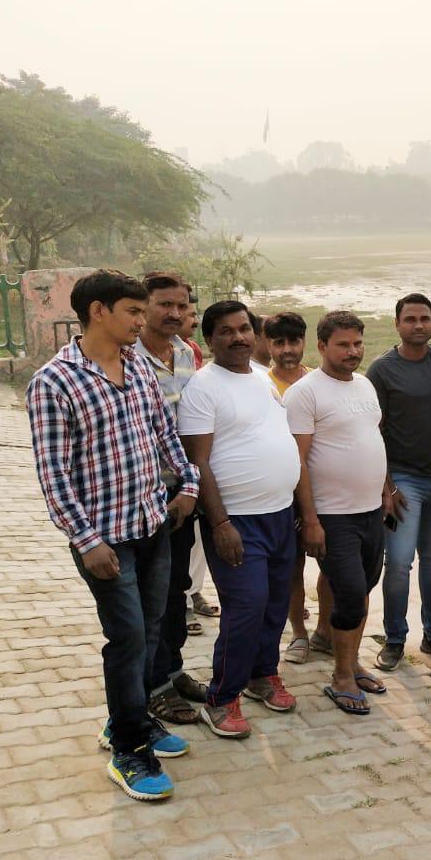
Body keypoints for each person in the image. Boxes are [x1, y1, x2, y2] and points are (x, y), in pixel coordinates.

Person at [27, 269, 198, 801]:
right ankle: (129, 748)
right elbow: (53, 474)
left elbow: (163, 434)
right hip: (105, 538)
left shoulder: (139, 370)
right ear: (98, 311)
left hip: (153, 523)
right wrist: (85, 540)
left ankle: (132, 718)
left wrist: (187, 485)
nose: (143, 321)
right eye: (133, 311)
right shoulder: (54, 382)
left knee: (149, 631)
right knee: (126, 638)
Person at [178, 301, 301, 738]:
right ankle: (221, 696)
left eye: (245, 328)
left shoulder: (261, 380)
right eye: (226, 331)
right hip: (237, 520)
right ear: (210, 339)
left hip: (279, 514)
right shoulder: (204, 386)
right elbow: (199, 462)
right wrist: (219, 524)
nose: (239, 337)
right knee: (245, 608)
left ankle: (261, 675)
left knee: (272, 604)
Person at [286, 311, 394, 714]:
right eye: (343, 345)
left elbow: (371, 437)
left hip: (370, 511)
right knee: (350, 594)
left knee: (364, 587)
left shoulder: (365, 385)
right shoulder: (306, 392)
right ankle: (341, 678)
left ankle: (351, 661)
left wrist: (385, 489)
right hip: (332, 516)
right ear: (322, 347)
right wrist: (310, 520)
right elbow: (296, 461)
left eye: (358, 344)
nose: (353, 352)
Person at [366, 294, 431, 672]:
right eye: (410, 319)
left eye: (425, 318)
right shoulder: (382, 370)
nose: (419, 325)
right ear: (397, 324)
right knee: (398, 563)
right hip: (402, 481)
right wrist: (386, 485)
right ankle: (394, 639)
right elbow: (372, 433)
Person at [133, 272, 208, 725]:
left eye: (182, 305)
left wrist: (191, 486)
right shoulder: (127, 358)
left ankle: (173, 668)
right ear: (143, 307)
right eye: (164, 304)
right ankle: (153, 685)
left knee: (178, 585)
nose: (175, 313)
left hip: (184, 491)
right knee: (151, 594)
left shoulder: (186, 353)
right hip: (143, 494)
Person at [263, 312, 334, 665]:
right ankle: (298, 634)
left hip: (325, 489)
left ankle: (324, 631)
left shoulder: (318, 381)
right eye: (279, 343)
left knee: (331, 564)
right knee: (291, 565)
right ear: (268, 344)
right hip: (283, 492)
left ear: (306, 342)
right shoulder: (263, 385)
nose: (287, 350)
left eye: (293, 341)